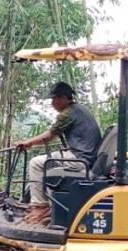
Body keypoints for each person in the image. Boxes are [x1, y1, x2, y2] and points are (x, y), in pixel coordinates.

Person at [15, 81, 101, 225]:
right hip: (87, 156)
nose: (52, 103)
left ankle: (40, 206)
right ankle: (50, 205)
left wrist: (28, 142)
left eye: (53, 99)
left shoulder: (68, 114)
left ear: (63, 98)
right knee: (49, 163)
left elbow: (49, 136)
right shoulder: (79, 109)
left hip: (80, 159)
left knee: (36, 163)